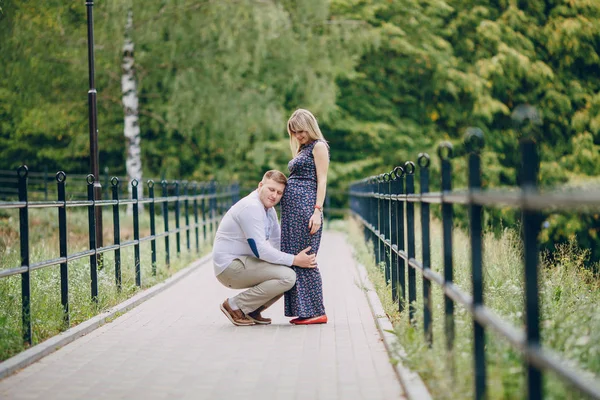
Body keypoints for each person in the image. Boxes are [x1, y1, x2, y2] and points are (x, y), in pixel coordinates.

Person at [213, 170, 317, 326]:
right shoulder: (251, 207)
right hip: (229, 267)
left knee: (290, 272)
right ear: (260, 185)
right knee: (287, 276)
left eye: (279, 192)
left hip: (245, 262)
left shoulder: (269, 210)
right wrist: (295, 260)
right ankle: (235, 306)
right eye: (271, 189)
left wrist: (300, 256)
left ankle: (250, 309)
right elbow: (261, 250)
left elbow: (277, 241)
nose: (274, 196)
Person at [281, 109, 330, 325]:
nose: (298, 136)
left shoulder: (318, 146)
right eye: (295, 133)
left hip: (306, 209)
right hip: (293, 211)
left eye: (301, 131)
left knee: (306, 257)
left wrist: (317, 210)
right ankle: (304, 310)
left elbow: (322, 180)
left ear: (309, 127)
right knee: (295, 258)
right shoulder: (303, 148)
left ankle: (317, 311)